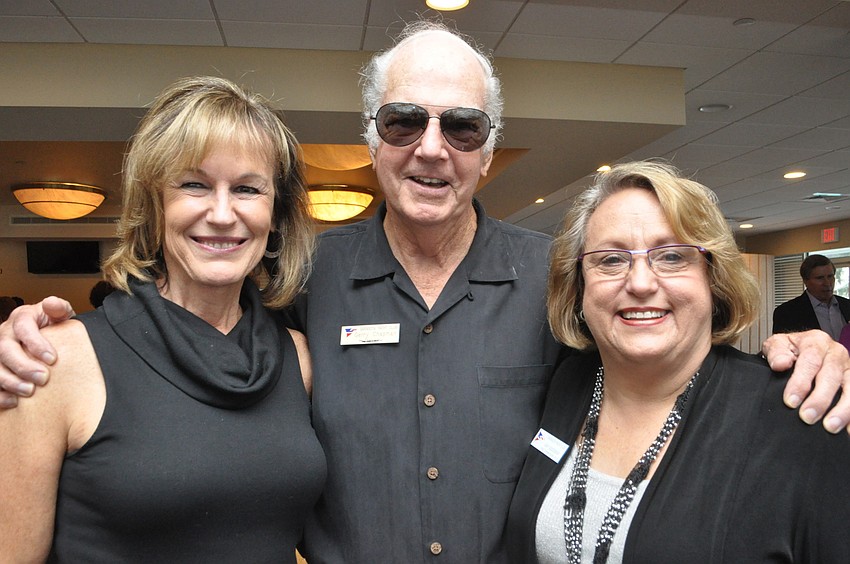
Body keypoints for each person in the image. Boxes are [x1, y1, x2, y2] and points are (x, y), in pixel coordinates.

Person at [1, 19, 850, 563]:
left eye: (462, 127)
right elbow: (187, 343)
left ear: (489, 147)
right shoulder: (304, 284)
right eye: (405, 121)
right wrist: (33, 340)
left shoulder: (559, 279)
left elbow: (653, 350)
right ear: (372, 137)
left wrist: (797, 348)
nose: (432, 149)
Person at [0, 76, 326, 562]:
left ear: (276, 214)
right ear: (154, 206)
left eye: (247, 188)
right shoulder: (54, 359)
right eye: (194, 184)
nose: (221, 212)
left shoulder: (298, 357)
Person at [506, 162, 850, 563]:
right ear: (579, 286)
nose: (640, 283)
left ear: (714, 279)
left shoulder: (797, 417)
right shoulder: (566, 384)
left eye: (671, 256)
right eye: (611, 260)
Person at [773, 254, 850, 339]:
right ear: (805, 281)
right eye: (820, 278)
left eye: (830, 276)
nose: (827, 283)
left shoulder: (847, 305)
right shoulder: (787, 313)